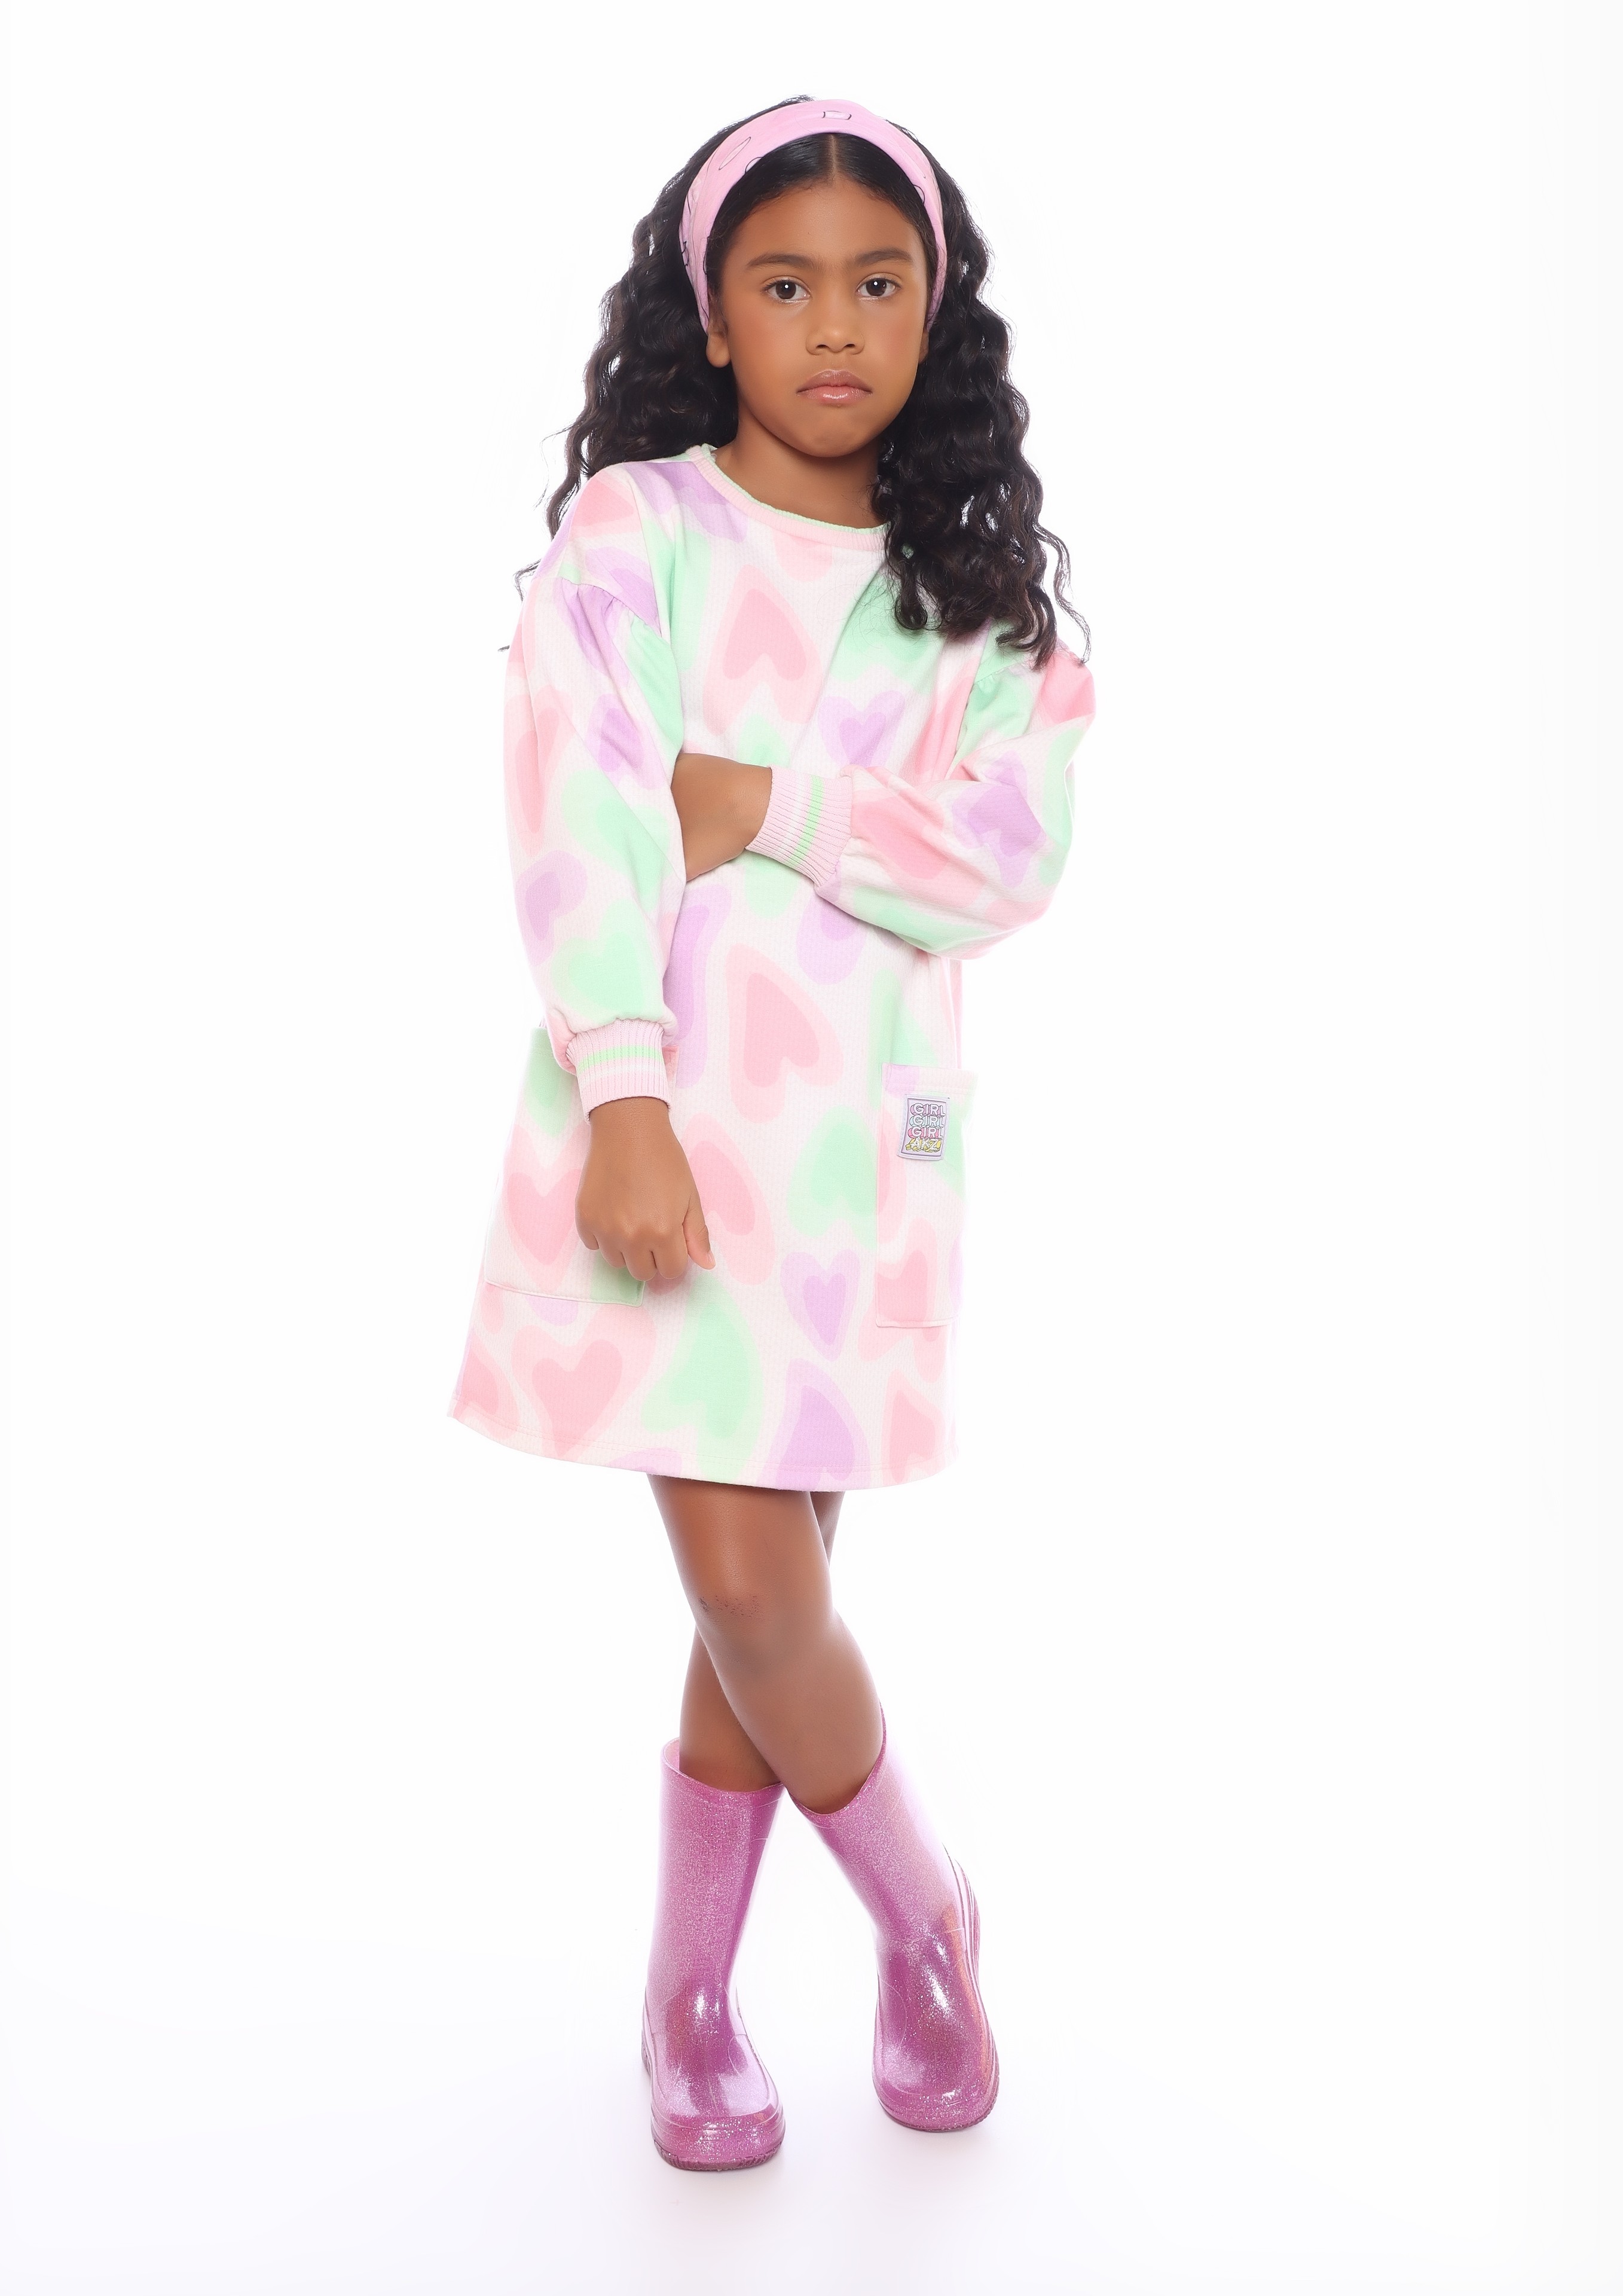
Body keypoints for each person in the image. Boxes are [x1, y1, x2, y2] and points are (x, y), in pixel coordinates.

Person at [448, 94, 1096, 2170]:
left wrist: (779, 803)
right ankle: (921, 1917)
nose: (834, 323)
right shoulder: (636, 536)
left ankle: (693, 1994)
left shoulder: (971, 606)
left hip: (854, 1182)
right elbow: (586, 816)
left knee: (759, 1602)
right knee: (746, 1581)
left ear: (936, 314)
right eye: (785, 283)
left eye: (877, 284)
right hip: (671, 1142)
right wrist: (625, 1098)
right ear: (711, 315)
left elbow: (1005, 863)